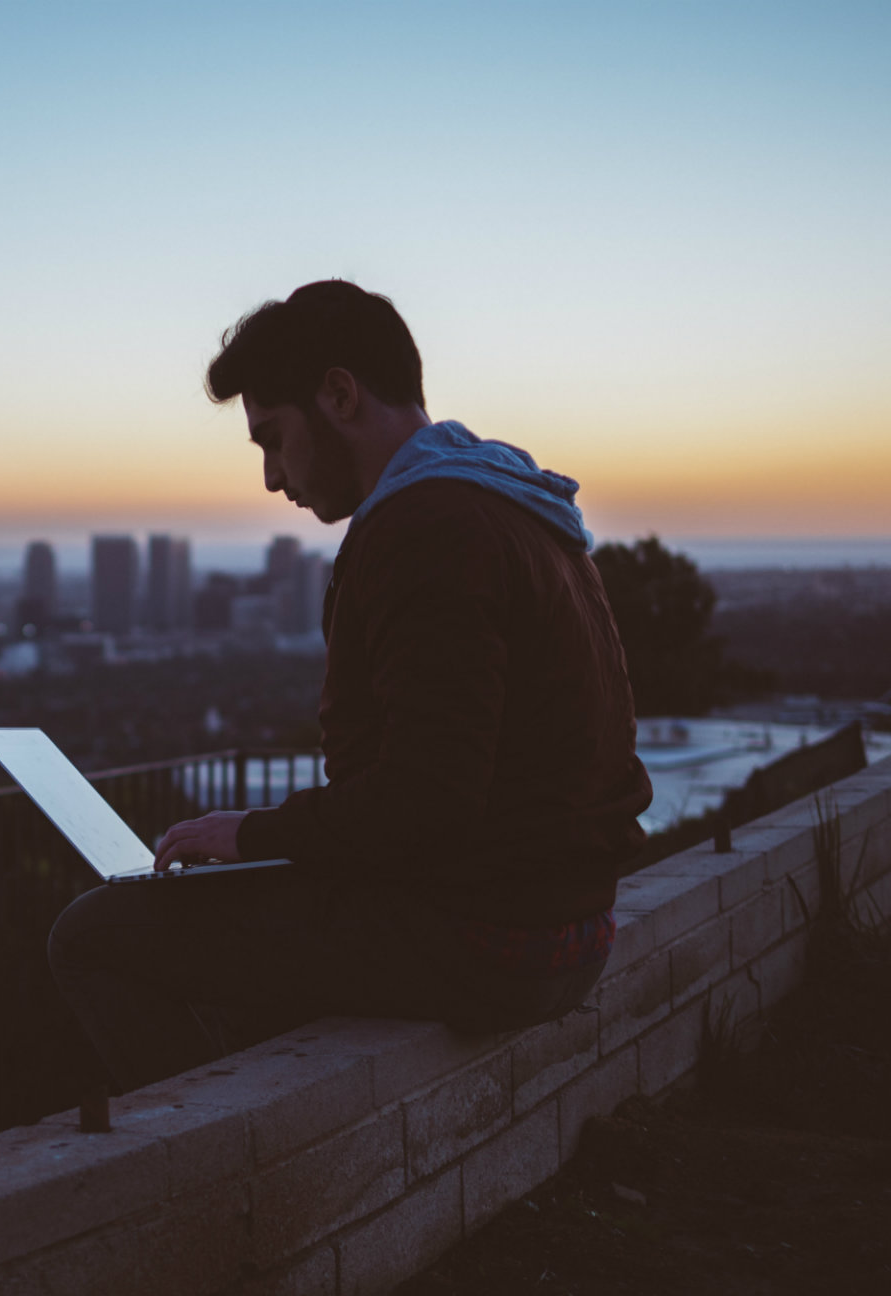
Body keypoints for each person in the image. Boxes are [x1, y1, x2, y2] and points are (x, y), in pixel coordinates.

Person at [47, 280, 654, 1094]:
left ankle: (223, 1173)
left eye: (273, 439)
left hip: (495, 941)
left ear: (338, 394)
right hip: (567, 922)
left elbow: (427, 801)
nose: (271, 478)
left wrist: (253, 835)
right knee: (238, 924)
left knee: (93, 934)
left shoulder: (425, 527)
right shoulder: (515, 505)